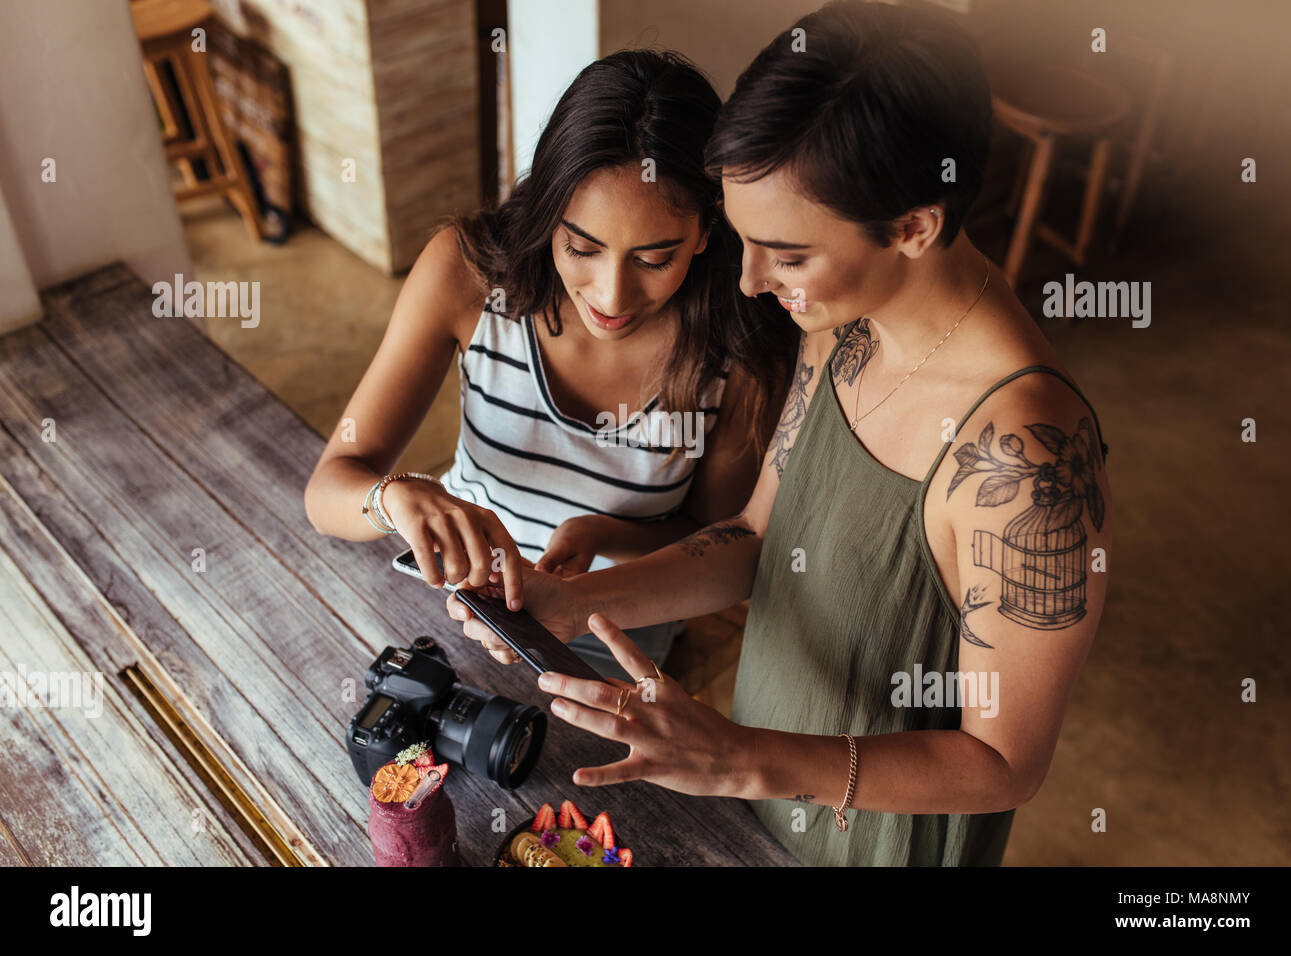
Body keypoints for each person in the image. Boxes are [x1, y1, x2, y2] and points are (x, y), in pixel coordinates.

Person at [448, 1, 1113, 866]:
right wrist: (574, 603)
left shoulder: (1027, 455)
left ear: (915, 226)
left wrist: (739, 759)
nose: (752, 282)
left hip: (874, 840)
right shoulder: (842, 324)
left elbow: (1003, 763)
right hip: (753, 790)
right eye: (744, 242)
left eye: (788, 255)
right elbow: (757, 537)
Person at [305, 50, 796, 679]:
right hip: (450, 609)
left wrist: (601, 536)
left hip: (609, 636)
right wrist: (389, 499)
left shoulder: (738, 344)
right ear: (547, 212)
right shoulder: (469, 276)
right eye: (581, 247)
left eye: (654, 259)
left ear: (706, 231)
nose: (611, 297)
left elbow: (716, 538)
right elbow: (328, 489)